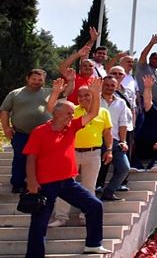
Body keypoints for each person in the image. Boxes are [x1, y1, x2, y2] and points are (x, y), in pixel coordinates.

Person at [23, 78, 111, 256]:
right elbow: (31, 158)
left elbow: (93, 114)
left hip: (68, 182)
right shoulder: (40, 131)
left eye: (72, 114)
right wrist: (32, 181)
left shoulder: (71, 128)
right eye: (69, 113)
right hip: (45, 184)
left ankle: (93, 244)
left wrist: (95, 93)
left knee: (94, 206)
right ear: (56, 113)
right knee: (39, 223)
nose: (72, 116)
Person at [48, 81, 113, 228]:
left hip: (93, 153)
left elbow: (107, 133)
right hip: (71, 153)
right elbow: (52, 110)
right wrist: (56, 93)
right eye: (80, 96)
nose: (83, 98)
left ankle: (86, 215)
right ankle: (61, 217)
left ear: (94, 96)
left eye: (87, 95)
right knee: (64, 186)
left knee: (89, 186)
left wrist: (109, 149)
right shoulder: (72, 110)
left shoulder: (104, 112)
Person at [1, 69, 55, 194]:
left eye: (40, 80)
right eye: (34, 79)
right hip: (21, 133)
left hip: (43, 135)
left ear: (44, 81)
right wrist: (6, 128)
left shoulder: (50, 92)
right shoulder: (15, 93)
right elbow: (4, 110)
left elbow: (68, 91)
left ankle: (41, 183)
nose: (36, 82)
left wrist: (71, 79)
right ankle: (18, 184)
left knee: (42, 160)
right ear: (27, 78)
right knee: (20, 159)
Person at [94, 76, 130, 201]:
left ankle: (108, 192)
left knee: (124, 168)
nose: (109, 87)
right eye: (107, 85)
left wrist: (123, 141)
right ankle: (92, 192)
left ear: (116, 87)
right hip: (96, 140)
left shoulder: (121, 102)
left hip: (114, 140)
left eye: (112, 85)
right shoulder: (93, 99)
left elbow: (123, 123)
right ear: (102, 85)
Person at [60, 39, 96, 104]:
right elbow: (63, 67)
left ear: (94, 68)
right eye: (84, 65)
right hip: (70, 111)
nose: (87, 67)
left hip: (88, 112)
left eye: (90, 66)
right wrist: (78, 54)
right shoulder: (72, 77)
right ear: (80, 67)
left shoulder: (97, 81)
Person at [136, 34, 157, 105]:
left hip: (155, 102)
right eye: (155, 58)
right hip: (143, 100)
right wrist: (151, 43)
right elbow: (143, 55)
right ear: (150, 58)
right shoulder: (144, 66)